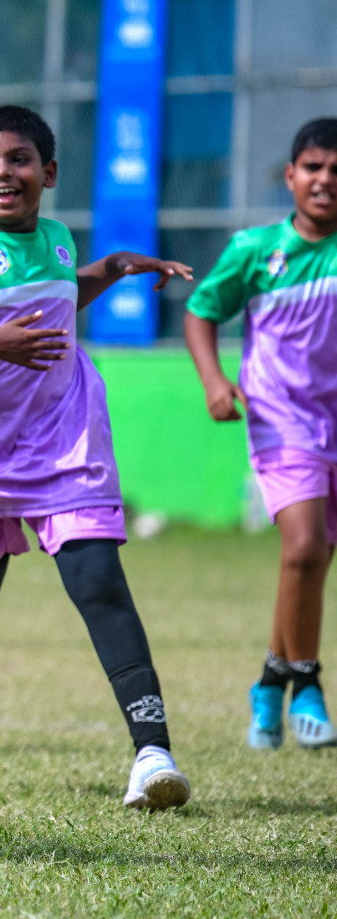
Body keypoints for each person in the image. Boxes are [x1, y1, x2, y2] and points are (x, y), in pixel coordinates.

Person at [0, 105, 194, 810]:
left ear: (48, 172)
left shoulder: (55, 239)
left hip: (64, 442)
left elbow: (56, 299)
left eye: (20, 159)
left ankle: (152, 754)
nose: (4, 173)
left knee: (98, 582)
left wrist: (110, 270)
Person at [183, 117, 337, 751]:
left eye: (336, 173)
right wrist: (215, 381)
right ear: (290, 176)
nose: (325, 182)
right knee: (303, 548)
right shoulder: (255, 250)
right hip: (279, 419)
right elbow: (200, 311)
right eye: (314, 168)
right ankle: (307, 683)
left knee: (314, 558)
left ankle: (270, 680)